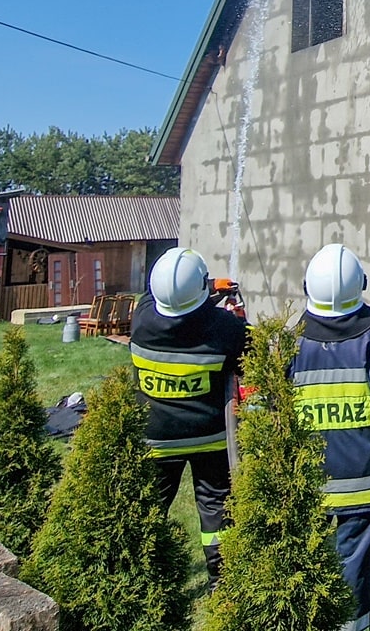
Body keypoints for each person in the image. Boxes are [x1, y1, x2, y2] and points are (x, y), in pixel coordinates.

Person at [289, 243, 370, 631]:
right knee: (353, 567)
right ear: (360, 285)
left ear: (307, 287)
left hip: (307, 483)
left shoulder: (291, 343)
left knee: (306, 562)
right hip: (363, 483)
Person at [131, 247, 248, 588]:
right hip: (209, 439)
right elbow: (246, 349)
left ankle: (144, 576)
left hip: (156, 439)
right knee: (216, 510)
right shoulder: (224, 328)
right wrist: (216, 295)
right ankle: (221, 582)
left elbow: (165, 298)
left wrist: (206, 288)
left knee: (150, 508)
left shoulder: (141, 320)